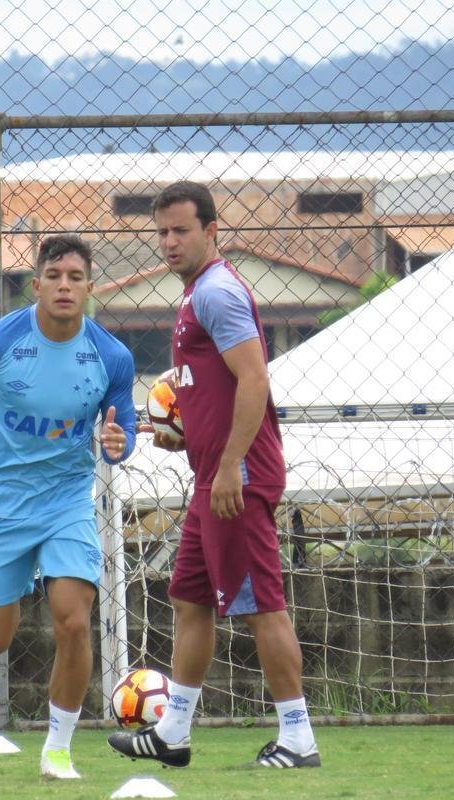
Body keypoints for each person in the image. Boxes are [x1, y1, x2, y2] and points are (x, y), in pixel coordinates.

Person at [108, 182, 320, 768]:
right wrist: (187, 434)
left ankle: (298, 740)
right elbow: (213, 389)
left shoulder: (218, 293)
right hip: (213, 477)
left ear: (211, 232)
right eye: (162, 232)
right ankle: (172, 734)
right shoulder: (196, 293)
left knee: (261, 606)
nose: (170, 242)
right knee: (188, 599)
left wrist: (229, 465)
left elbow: (254, 380)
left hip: (237, 479)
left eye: (181, 230)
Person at [0, 234, 136, 780]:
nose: (65, 286)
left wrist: (122, 442)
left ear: (90, 287)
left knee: (73, 623)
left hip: (67, 501)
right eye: (55, 276)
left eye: (76, 277)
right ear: (37, 285)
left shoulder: (111, 355)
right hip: (0, 503)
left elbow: (125, 422)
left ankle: (58, 750)